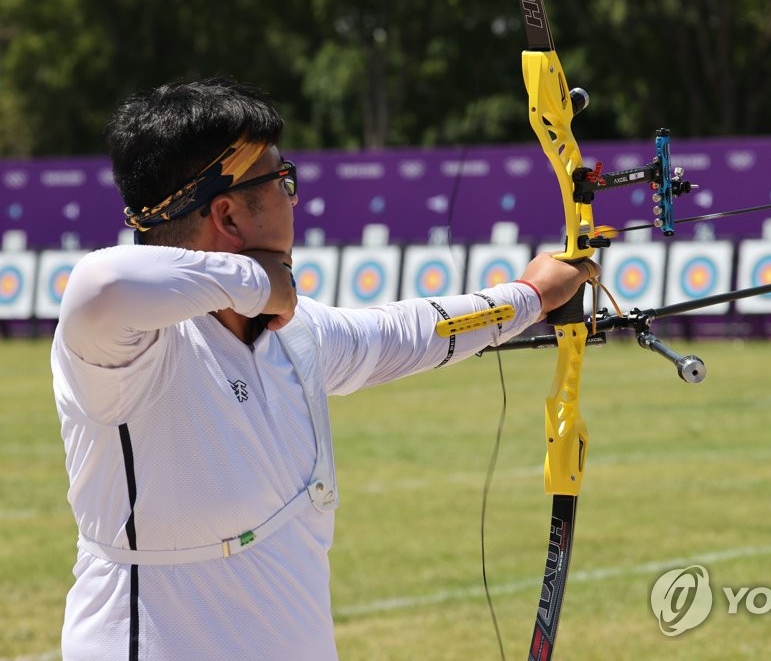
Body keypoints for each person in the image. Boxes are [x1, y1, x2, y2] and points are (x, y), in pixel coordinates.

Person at [52, 77, 595, 660]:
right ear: (228, 215)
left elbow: (407, 332)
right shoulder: (126, 354)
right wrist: (259, 283)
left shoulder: (296, 336)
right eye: (282, 180)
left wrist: (530, 296)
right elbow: (101, 283)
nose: (295, 197)